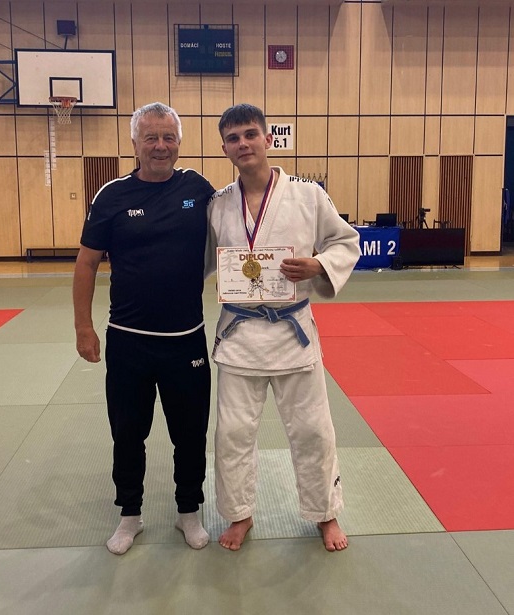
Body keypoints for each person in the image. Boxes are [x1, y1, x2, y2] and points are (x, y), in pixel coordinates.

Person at [206, 103, 360, 552]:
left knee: (313, 430)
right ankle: (239, 513)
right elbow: (199, 260)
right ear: (224, 148)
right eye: (233, 138)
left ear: (268, 139)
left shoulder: (308, 195)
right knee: (232, 433)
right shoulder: (218, 204)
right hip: (239, 334)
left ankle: (325, 513)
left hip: (293, 331)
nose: (243, 144)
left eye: (250, 134)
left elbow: (345, 240)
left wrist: (318, 265)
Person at [73, 102, 216, 555]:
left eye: (168, 137)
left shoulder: (199, 189)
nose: (160, 146)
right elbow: (86, 263)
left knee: (190, 434)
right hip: (128, 341)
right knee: (128, 433)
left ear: (179, 143)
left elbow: (239, 230)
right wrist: (83, 327)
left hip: (185, 340)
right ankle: (129, 515)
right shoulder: (111, 196)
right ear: (134, 143)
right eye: (150, 137)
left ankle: (188, 511)